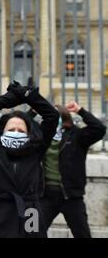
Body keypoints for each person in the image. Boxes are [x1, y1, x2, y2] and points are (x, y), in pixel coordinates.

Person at [0, 81, 59, 238]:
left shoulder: (36, 149)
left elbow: (52, 116)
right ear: (2, 132)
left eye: (20, 130)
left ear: (28, 134)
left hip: (29, 214)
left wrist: (27, 95)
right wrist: (13, 97)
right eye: (11, 129)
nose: (16, 132)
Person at [40, 101, 106, 238]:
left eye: (55, 115)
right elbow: (21, 124)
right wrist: (34, 110)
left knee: (82, 234)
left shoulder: (76, 136)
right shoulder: (40, 135)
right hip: (44, 196)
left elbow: (99, 129)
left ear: (64, 117)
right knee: (30, 231)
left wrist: (80, 110)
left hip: (71, 197)